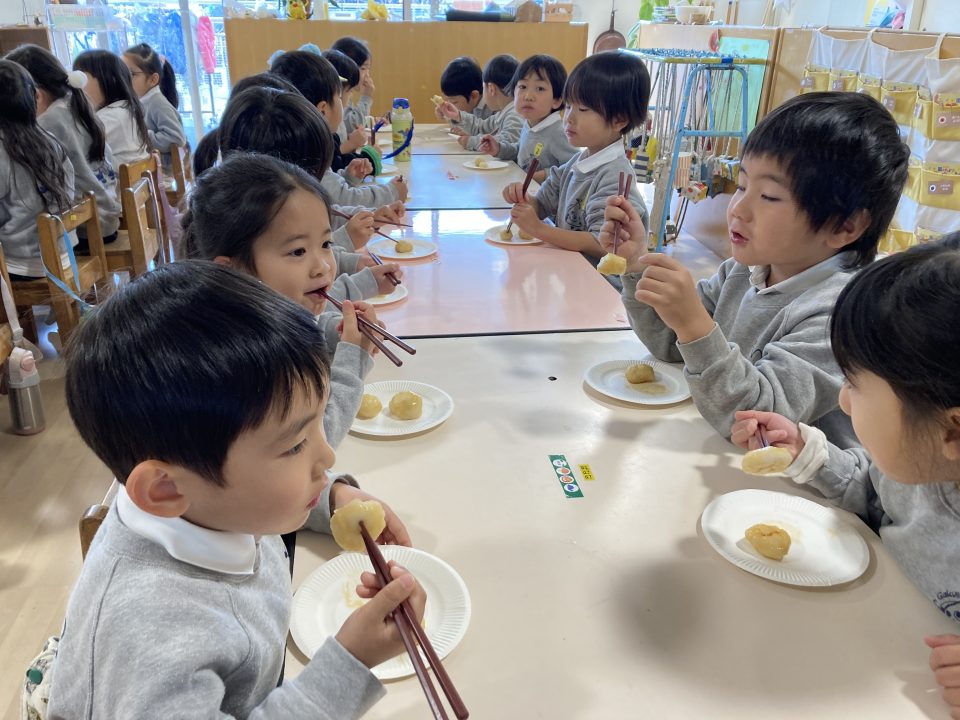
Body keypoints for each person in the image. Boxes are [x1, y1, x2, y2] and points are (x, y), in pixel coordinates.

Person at [48, 260, 425, 718]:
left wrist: (331, 498)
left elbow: (250, 494)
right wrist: (351, 664)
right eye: (295, 445)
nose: (327, 457)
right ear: (165, 489)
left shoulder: (207, 504)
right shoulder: (153, 641)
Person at [727, 235, 960, 717]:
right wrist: (810, 454)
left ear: (952, 430)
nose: (842, 400)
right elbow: (875, 496)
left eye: (855, 384)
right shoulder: (920, 465)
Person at [600, 91, 910, 447]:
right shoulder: (743, 270)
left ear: (844, 226)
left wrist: (694, 324)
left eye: (769, 197)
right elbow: (670, 345)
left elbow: (756, 423)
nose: (738, 209)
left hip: (792, 480)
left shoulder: (842, 317)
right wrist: (636, 263)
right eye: (743, 185)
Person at [182, 153, 396, 448]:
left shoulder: (258, 312)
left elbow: (304, 324)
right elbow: (314, 440)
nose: (323, 265)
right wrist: (353, 359)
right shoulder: (245, 357)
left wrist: (333, 334)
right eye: (298, 252)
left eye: (326, 244)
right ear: (232, 271)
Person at [502, 51, 649, 263]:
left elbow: (602, 244)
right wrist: (524, 200)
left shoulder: (615, 176)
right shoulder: (577, 163)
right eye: (569, 106)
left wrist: (539, 229)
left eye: (583, 109)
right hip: (568, 270)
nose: (569, 118)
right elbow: (542, 204)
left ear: (619, 120)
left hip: (597, 279)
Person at [6, 44, 121, 245]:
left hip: (87, 229)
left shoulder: (49, 121)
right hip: (105, 218)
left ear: (36, 95)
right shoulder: (75, 104)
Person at [269, 50, 407, 206]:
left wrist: (347, 178)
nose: (344, 103)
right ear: (323, 110)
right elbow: (342, 202)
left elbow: (329, 194)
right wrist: (392, 193)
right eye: (339, 96)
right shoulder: (309, 153)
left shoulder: (295, 142)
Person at [0, 59, 77, 279]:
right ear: (35, 97)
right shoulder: (49, 139)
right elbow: (69, 189)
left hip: (23, 264)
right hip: (64, 252)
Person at [478, 54, 576, 183]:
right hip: (524, 190)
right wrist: (499, 148)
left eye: (540, 88)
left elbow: (574, 167)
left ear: (557, 100)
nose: (528, 96)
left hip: (543, 195)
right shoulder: (529, 124)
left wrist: (542, 175)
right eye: (523, 87)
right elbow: (520, 151)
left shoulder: (558, 132)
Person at [73, 49, 149, 166]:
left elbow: (77, 148)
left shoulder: (111, 116)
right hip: (137, 175)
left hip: (122, 177)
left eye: (83, 78)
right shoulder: (125, 108)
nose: (77, 88)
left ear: (110, 80)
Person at [438, 54, 521, 151]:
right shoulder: (503, 113)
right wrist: (458, 116)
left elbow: (504, 142)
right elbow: (480, 127)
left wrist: (471, 142)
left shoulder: (515, 114)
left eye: (483, 87)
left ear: (491, 89)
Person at [122, 43, 187, 166]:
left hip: (162, 171)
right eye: (121, 73)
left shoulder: (157, 103)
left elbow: (177, 138)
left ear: (153, 79)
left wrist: (140, 135)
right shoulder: (141, 101)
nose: (123, 79)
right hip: (152, 167)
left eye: (131, 74)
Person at [331, 36, 374, 137]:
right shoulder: (338, 93)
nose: (367, 75)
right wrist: (366, 97)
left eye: (368, 69)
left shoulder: (345, 90)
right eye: (363, 68)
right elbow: (352, 127)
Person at [434, 56, 492, 121]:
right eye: (447, 100)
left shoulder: (493, 107)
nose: (449, 105)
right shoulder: (468, 104)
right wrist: (446, 115)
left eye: (454, 102)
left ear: (474, 96)